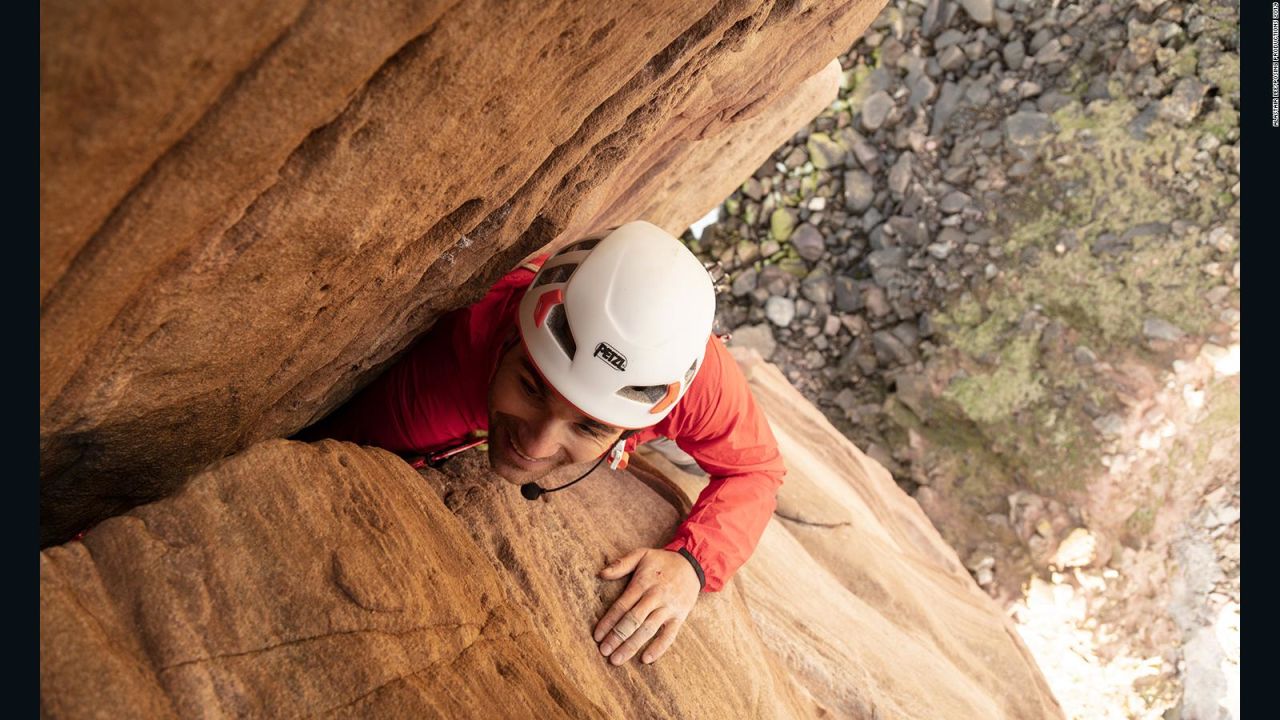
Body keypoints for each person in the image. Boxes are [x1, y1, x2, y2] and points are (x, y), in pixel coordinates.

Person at [303, 220, 786, 666]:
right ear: (515, 332)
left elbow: (757, 471)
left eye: (590, 426)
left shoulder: (696, 387)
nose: (534, 446)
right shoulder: (455, 356)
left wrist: (693, 563)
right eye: (532, 388)